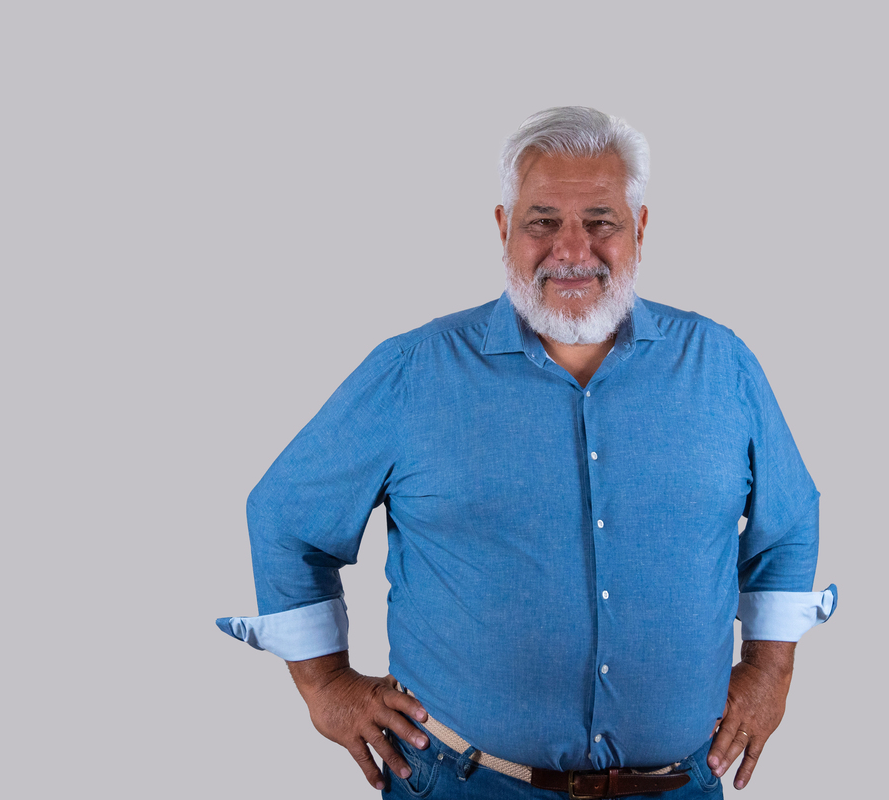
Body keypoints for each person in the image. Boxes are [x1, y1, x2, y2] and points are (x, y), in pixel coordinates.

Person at [217, 106, 836, 799]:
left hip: (680, 784)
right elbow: (286, 518)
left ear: (640, 228)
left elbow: (789, 521)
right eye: (543, 221)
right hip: (463, 784)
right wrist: (326, 684)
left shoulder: (722, 367)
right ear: (503, 228)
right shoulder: (413, 372)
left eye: (600, 221)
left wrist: (771, 669)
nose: (572, 250)